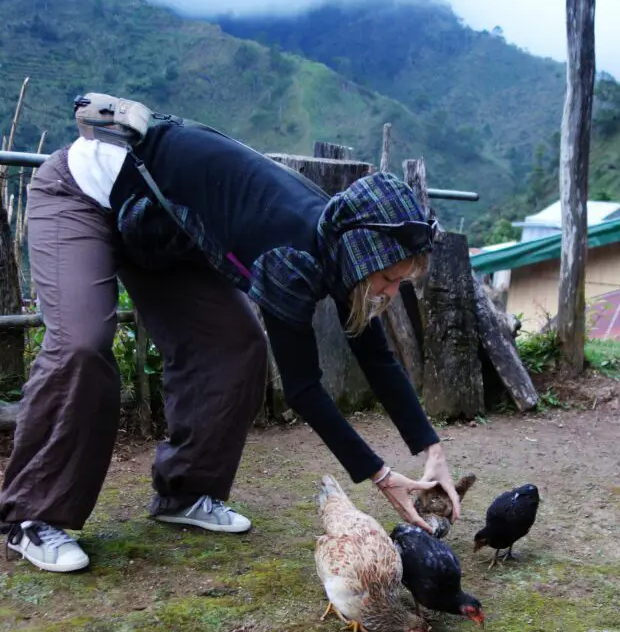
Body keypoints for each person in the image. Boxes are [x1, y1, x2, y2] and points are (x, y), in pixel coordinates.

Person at [0, 105, 461, 573]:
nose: (388, 291)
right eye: (387, 276)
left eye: (399, 281)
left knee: (237, 345)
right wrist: (382, 477)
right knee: (82, 341)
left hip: (163, 232)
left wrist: (433, 451)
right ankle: (29, 516)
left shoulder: (341, 242)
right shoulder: (292, 257)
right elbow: (304, 389)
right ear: (364, 256)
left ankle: (184, 491)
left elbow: (376, 356)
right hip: (83, 194)